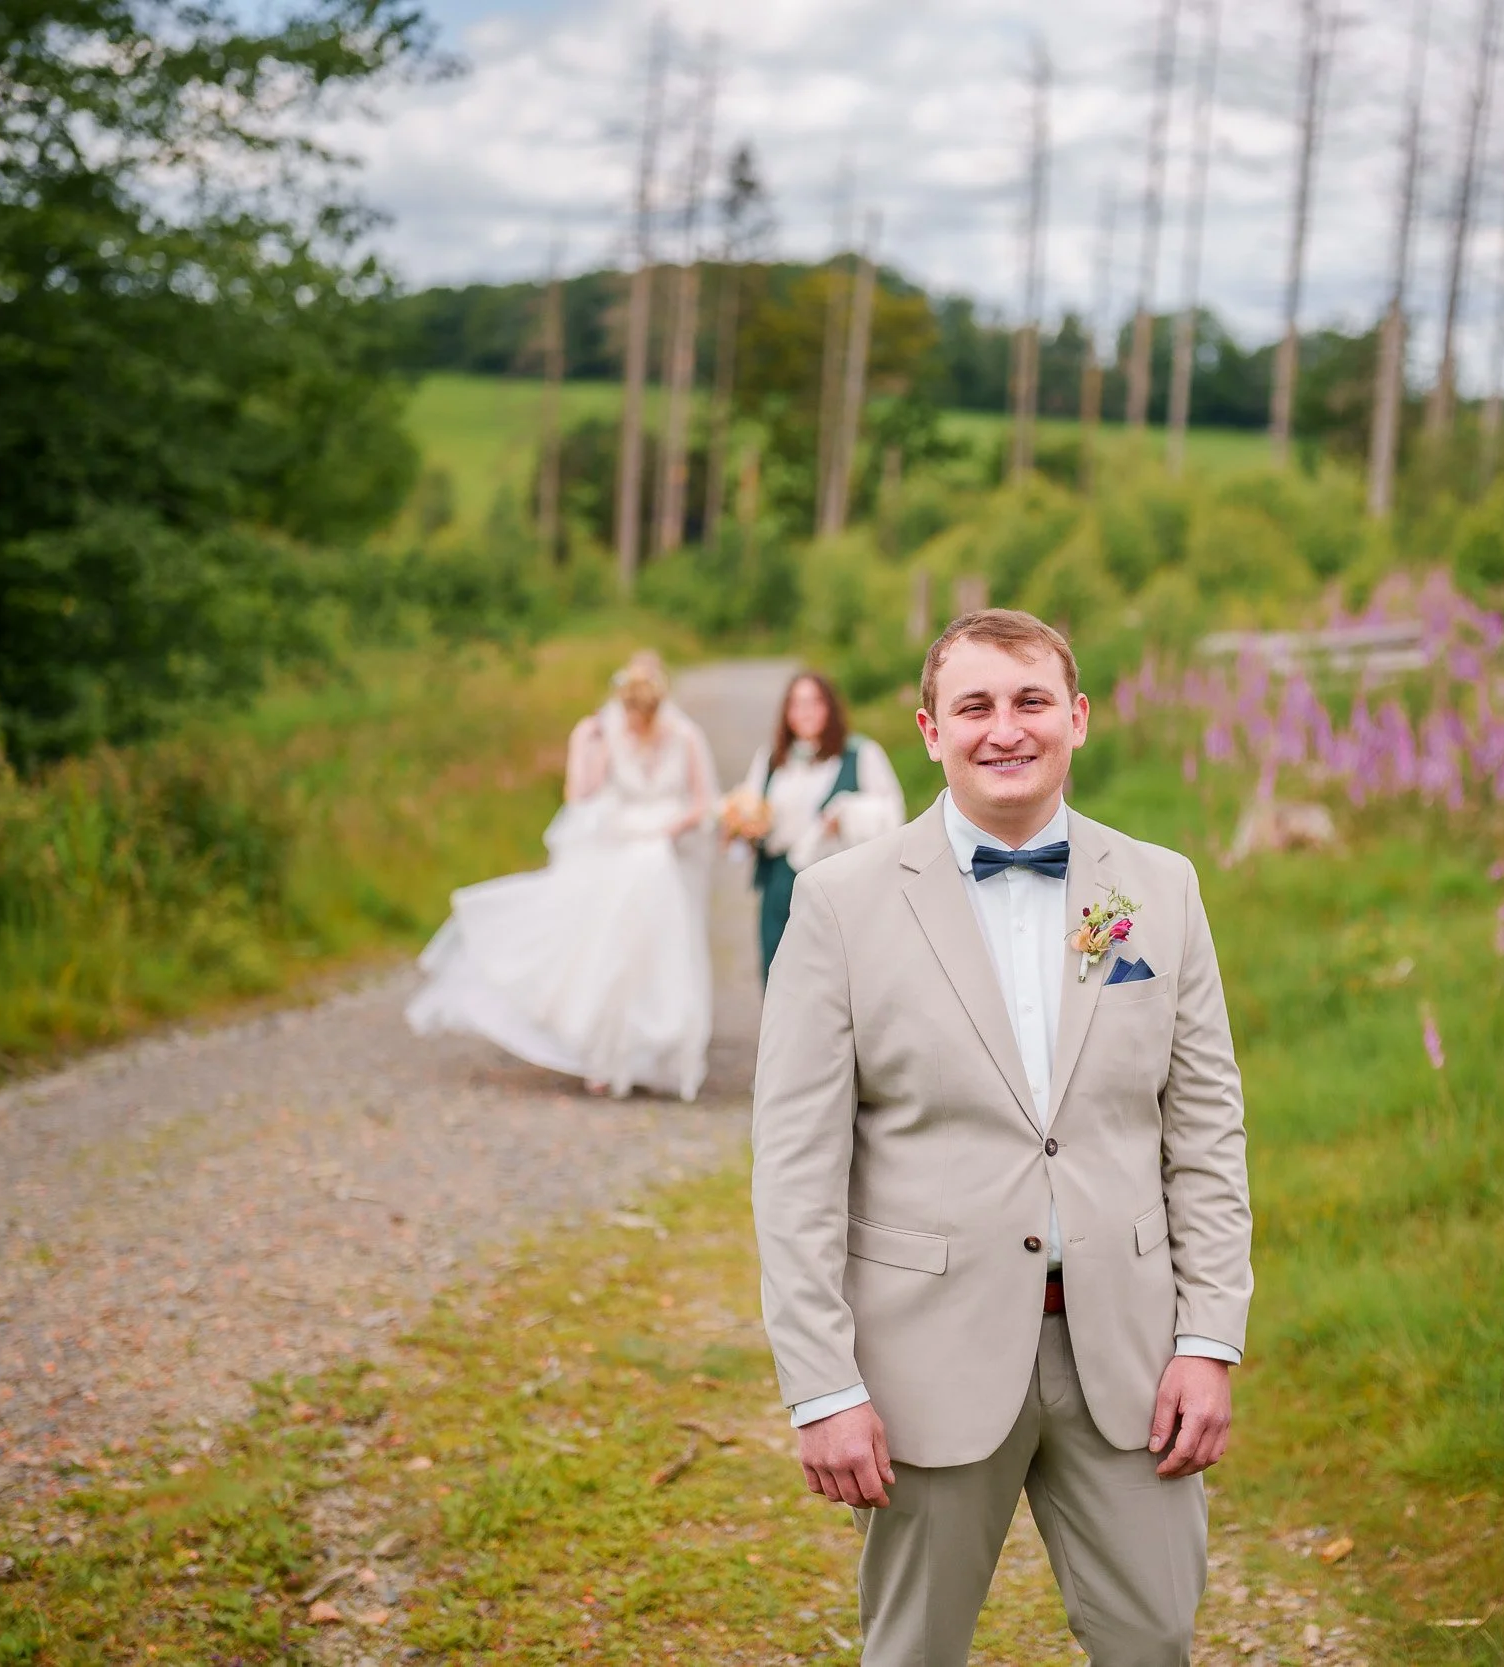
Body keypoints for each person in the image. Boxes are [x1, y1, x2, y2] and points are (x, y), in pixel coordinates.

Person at [752, 608, 1253, 1666]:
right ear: (930, 730)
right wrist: (823, 1383)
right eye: (974, 705)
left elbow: (1206, 1127)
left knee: (1154, 1639)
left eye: (1031, 700)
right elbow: (796, 1169)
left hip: (1128, 1354)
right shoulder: (839, 903)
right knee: (915, 1649)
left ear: (1078, 717)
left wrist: (1209, 1340)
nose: (1005, 728)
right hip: (924, 1355)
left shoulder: (1159, 886)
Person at [405, 651, 717, 1100]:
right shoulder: (607, 735)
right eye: (630, 712)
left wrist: (669, 830)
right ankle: (606, 1052)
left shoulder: (685, 737)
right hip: (623, 849)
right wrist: (583, 745)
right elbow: (581, 795)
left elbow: (703, 802)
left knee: (662, 953)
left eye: (642, 713)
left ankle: (657, 1051)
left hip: (665, 854)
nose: (635, 723)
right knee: (612, 952)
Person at [731, 672, 907, 981]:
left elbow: (892, 815)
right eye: (797, 704)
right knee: (777, 971)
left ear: (830, 708)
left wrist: (847, 817)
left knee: (832, 973)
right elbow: (749, 807)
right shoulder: (772, 759)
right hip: (779, 884)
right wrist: (746, 825)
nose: (806, 712)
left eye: (814, 703)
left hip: (836, 884)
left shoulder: (860, 754)